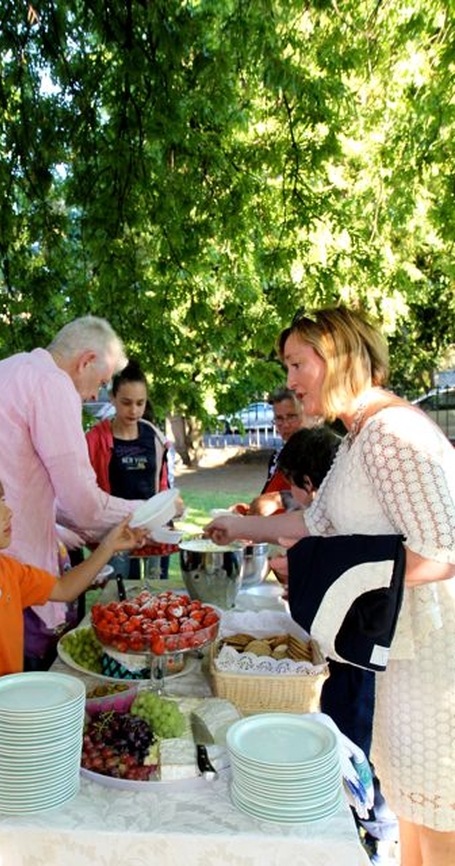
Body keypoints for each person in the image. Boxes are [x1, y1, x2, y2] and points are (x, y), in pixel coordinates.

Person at [205, 305, 455, 866]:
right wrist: (241, 526)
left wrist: (328, 574)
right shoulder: (359, 436)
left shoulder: (393, 433)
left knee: (437, 820)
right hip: (397, 654)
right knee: (411, 811)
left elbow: (442, 552)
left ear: (339, 356)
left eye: (298, 364)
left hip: (435, 659)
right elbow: (316, 524)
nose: (289, 381)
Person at [0, 316, 176, 669]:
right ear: (85, 361)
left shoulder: (6, 372)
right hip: (2, 573)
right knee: (13, 687)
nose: (97, 395)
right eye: (101, 381)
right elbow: (83, 504)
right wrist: (154, 511)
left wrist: (96, 529)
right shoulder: (53, 384)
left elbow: (52, 497)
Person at [0, 460, 144, 782]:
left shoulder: (8, 571)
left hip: (10, 734)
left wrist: (109, 545)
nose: (8, 513)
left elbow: (64, 587)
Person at [276, 424, 399, 859]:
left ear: (309, 484)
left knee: (354, 737)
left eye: (295, 489)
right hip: (353, 650)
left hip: (354, 654)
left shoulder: (338, 518)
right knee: (349, 728)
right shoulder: (352, 509)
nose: (296, 499)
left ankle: (371, 824)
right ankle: (366, 814)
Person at [86, 359, 170, 580]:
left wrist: (170, 510)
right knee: (119, 598)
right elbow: (86, 490)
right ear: (112, 398)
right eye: (126, 402)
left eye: (140, 403)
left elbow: (162, 484)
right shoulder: (95, 440)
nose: (134, 411)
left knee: (157, 602)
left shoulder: (154, 437)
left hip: (153, 532)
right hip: (116, 533)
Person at [232, 387, 309, 516]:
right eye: (279, 418)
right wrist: (246, 510)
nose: (285, 425)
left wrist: (279, 500)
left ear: (306, 414)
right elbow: (267, 500)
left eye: (291, 417)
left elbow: (316, 501)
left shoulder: (317, 453)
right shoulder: (278, 456)